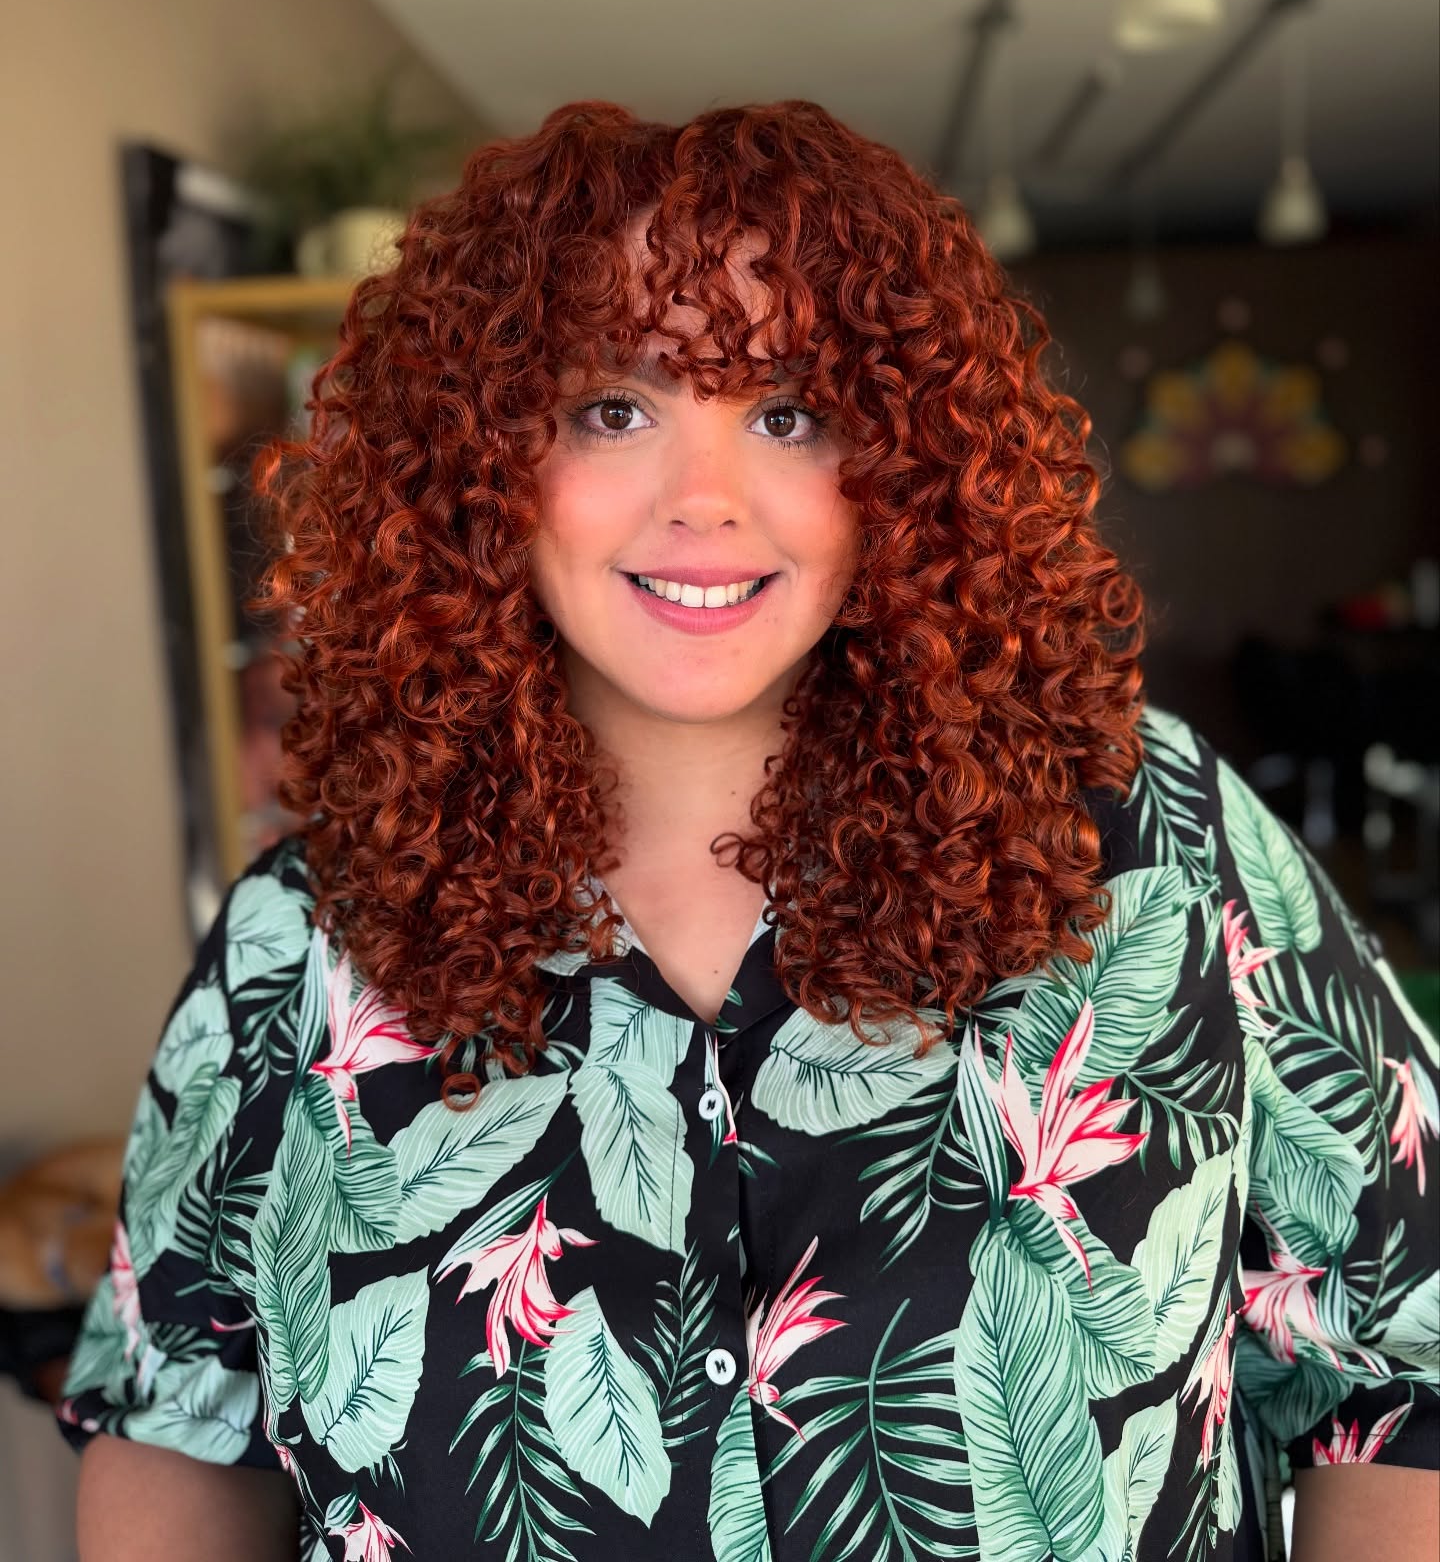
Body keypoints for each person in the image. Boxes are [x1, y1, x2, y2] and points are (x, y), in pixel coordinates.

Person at [56, 101, 1438, 1561]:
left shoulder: (1143, 840)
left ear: (904, 468)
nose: (706, 501)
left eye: (788, 414)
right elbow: (178, 1431)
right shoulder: (304, 940)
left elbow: (1413, 1358)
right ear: (478, 471)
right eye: (613, 408)